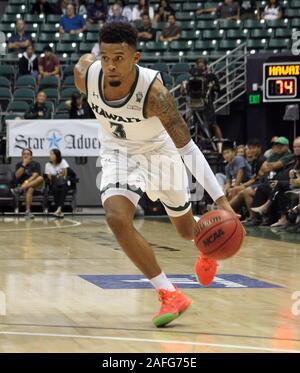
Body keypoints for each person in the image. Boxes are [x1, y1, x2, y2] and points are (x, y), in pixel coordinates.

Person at [74, 22, 236, 327]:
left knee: (186, 231)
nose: (111, 65)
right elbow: (84, 63)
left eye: (119, 58)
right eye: (106, 57)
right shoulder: (85, 75)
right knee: (116, 218)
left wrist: (221, 200)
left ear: (136, 57)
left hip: (159, 154)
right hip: (118, 152)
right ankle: (168, 292)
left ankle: (207, 240)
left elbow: (188, 148)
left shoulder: (156, 94)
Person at [250, 137, 300, 227]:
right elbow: (262, 171)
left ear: (286, 146)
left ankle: (268, 208)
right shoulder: (294, 158)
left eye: (299, 147)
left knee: (279, 185)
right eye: (295, 147)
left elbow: (293, 176)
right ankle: (257, 218)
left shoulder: (289, 157)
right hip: (289, 183)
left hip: (294, 185)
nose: (296, 149)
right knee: (263, 187)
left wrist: (284, 180)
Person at [13, 148, 44, 219]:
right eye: (24, 154)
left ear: (31, 156)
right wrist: (24, 164)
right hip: (25, 187)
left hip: (36, 185)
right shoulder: (19, 164)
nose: (26, 155)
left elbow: (35, 175)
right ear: (22, 156)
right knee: (30, 189)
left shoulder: (36, 164)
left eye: (28, 154)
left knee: (40, 178)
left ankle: (19, 189)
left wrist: (26, 182)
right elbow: (17, 175)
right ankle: (28, 212)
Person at [45, 149, 70, 218]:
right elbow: (49, 177)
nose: (51, 156)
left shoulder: (63, 162)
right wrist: (57, 175)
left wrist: (58, 175)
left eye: (52, 154)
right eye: (50, 154)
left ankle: (58, 209)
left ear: (57, 155)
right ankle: (59, 210)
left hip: (63, 182)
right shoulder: (48, 164)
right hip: (54, 183)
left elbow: (65, 174)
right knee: (55, 189)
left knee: (63, 188)